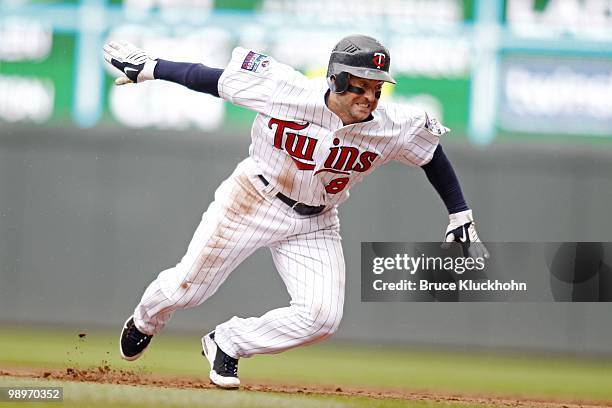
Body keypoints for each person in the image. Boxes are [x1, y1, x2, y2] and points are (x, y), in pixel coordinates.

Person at [103, 34, 488, 389]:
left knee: (322, 317)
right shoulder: (286, 90)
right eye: (361, 84)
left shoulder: (392, 126)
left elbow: (431, 154)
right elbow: (209, 78)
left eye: (376, 87)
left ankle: (228, 342)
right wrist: (151, 68)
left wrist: (460, 214)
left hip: (316, 221)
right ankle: (145, 320)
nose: (370, 96)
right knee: (185, 289)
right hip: (252, 197)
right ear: (336, 79)